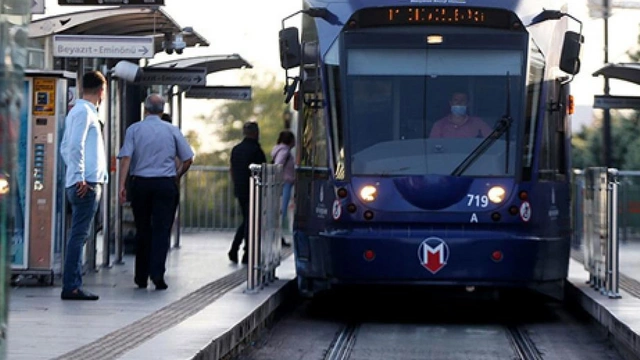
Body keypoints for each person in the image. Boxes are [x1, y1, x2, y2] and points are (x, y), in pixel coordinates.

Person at [117, 94, 194, 290]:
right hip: (164, 185)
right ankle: (157, 274)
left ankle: (141, 276)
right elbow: (188, 159)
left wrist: (122, 186)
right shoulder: (172, 130)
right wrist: (177, 175)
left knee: (143, 229)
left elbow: (126, 157)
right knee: (161, 230)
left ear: (145, 109)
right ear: (162, 110)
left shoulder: (134, 129)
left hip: (140, 184)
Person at [59, 70, 108, 301]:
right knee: (78, 236)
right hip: (85, 184)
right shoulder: (84, 113)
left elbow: (64, 148)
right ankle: (72, 286)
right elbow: (74, 146)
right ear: (102, 91)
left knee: (79, 234)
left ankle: (73, 283)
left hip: (83, 181)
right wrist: (79, 177)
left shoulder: (78, 112)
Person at [229, 121, 267, 264]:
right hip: (254, 189)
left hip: (240, 189)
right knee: (250, 221)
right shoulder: (257, 151)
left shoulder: (236, 149)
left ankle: (236, 249)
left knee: (247, 219)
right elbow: (262, 171)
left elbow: (232, 169)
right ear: (256, 133)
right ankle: (245, 252)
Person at [271, 130, 295, 247]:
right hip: (284, 184)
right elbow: (278, 164)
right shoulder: (285, 152)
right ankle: (278, 237)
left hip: (283, 183)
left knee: (281, 211)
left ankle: (278, 236)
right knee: (282, 211)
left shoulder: (280, 150)